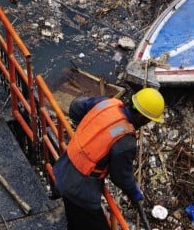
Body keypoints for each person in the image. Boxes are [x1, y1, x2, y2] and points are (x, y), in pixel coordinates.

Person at [52, 87, 165, 230]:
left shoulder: (108, 103)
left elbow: (76, 107)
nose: (146, 124)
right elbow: (120, 177)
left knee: (74, 219)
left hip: (64, 165)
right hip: (80, 187)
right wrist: (134, 193)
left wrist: (91, 133)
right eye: (148, 120)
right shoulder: (125, 140)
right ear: (142, 117)